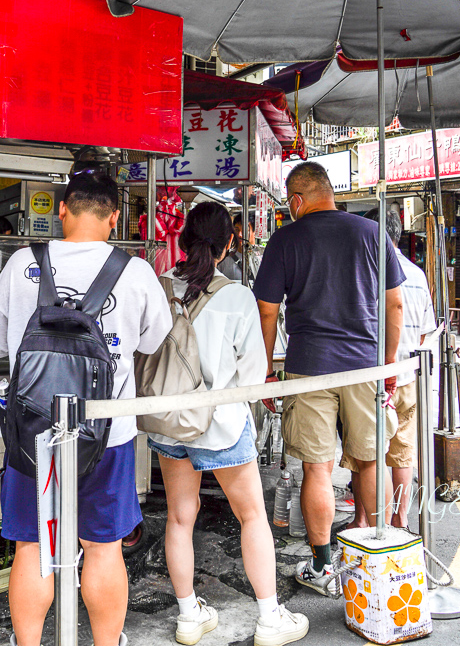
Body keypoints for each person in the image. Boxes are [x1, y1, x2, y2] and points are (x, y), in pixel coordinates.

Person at [0, 171, 172, 646]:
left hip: (31, 432)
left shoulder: (20, 265)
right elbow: (152, 340)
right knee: (103, 547)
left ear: (63, 210)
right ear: (114, 218)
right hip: (107, 433)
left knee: (31, 545)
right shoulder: (135, 272)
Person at [149, 202, 308, 646]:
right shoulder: (237, 296)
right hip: (221, 423)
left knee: (180, 518)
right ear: (228, 245)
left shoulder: (162, 287)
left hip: (169, 422)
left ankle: (188, 616)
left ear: (183, 241)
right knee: (252, 514)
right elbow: (254, 377)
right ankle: (270, 618)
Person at [253, 162, 402, 596]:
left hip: (308, 367)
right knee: (371, 459)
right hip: (365, 365)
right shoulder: (371, 233)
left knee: (317, 469)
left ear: (297, 200)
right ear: (330, 192)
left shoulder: (286, 239)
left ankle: (322, 568)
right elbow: (395, 306)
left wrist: (265, 371)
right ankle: (376, 554)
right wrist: (388, 364)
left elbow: (267, 310)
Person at [342, 208, 436, 530]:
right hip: (408, 377)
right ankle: (400, 518)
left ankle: (363, 520)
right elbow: (425, 331)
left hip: (374, 377)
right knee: (402, 451)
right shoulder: (418, 275)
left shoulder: (366, 272)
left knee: (367, 451)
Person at [218, 212, 258, 283]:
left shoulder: (262, 258)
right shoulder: (224, 259)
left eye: (245, 230)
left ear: (255, 232)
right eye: (236, 230)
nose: (240, 235)